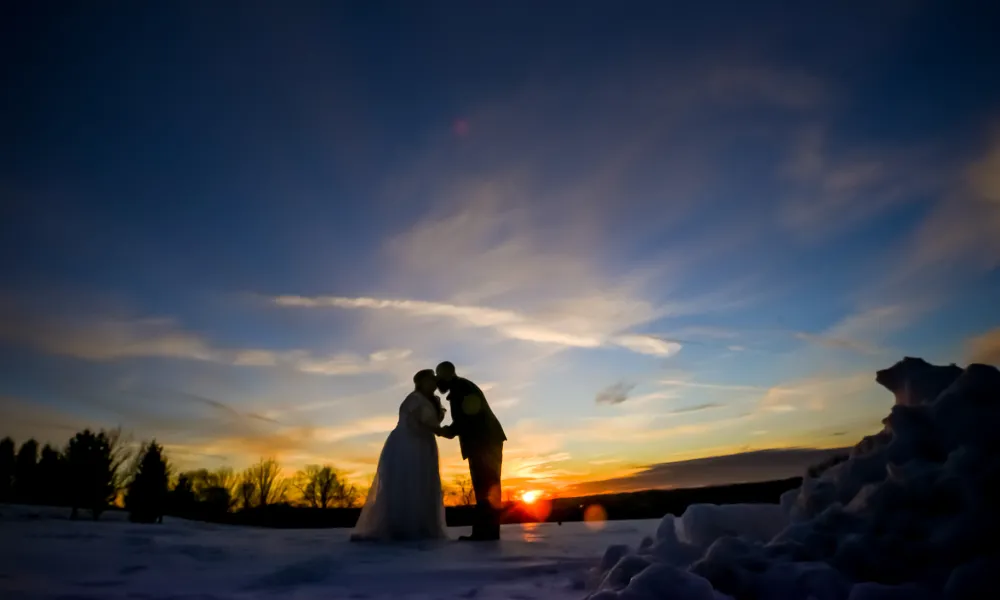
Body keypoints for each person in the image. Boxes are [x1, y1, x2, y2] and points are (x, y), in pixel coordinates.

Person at [350, 369, 449, 542]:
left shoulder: (432, 401)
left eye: (433, 380)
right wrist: (441, 431)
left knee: (424, 481)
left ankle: (423, 526)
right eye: (429, 380)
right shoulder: (414, 399)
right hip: (408, 443)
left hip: (424, 444)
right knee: (406, 481)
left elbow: (432, 422)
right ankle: (401, 527)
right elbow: (416, 422)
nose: (433, 383)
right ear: (421, 382)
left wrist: (439, 431)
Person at [437, 361, 507, 541]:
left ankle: (486, 533)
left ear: (447, 374)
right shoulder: (461, 387)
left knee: (485, 486)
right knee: (487, 487)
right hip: (485, 441)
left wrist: (446, 431)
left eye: (439, 377)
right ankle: (487, 532)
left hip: (484, 442)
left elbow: (468, 416)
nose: (438, 383)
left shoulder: (461, 387)